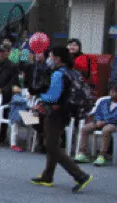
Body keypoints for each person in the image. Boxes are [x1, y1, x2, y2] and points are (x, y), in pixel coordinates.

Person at [31, 46, 92, 192]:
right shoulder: (72, 72)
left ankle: (80, 175)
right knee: (54, 142)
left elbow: (53, 97)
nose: (49, 59)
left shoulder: (58, 74)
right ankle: (47, 175)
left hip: (55, 112)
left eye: (51, 56)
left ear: (58, 59)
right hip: (66, 112)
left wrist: (40, 97)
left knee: (50, 145)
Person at [75, 84, 117, 166]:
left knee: (106, 130)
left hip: (112, 124)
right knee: (85, 128)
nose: (111, 92)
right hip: (99, 121)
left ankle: (102, 155)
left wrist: (105, 122)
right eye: (111, 91)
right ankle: (82, 153)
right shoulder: (103, 102)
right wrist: (98, 120)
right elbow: (97, 112)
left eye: (114, 92)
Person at [7, 85, 31, 152]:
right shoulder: (15, 97)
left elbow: (26, 106)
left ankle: (27, 143)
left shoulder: (20, 97)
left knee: (16, 131)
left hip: (20, 116)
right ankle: (13, 145)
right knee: (14, 131)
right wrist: (27, 98)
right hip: (15, 117)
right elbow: (21, 101)